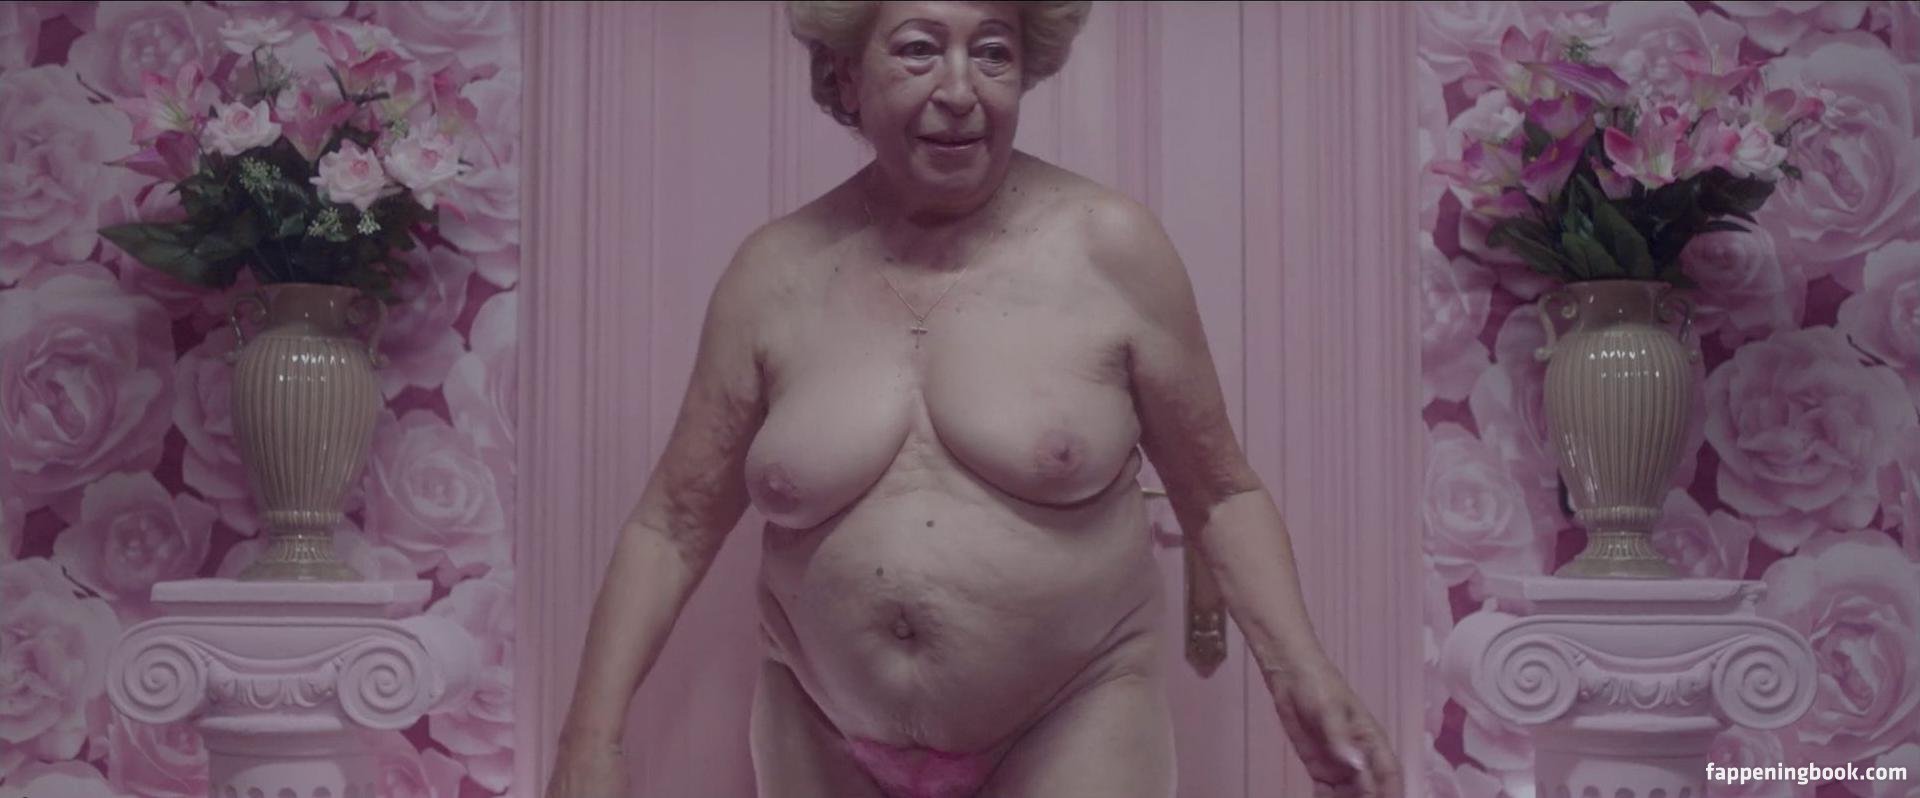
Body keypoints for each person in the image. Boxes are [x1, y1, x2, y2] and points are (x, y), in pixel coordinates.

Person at [544, 2, 1403, 796]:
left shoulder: (1111, 249)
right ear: (846, 74)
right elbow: (673, 525)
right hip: (818, 723)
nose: (960, 91)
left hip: (1074, 713)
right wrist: (591, 738)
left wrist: (1302, 674)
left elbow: (1218, 494)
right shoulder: (772, 275)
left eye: (992, 54)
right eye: (920, 50)